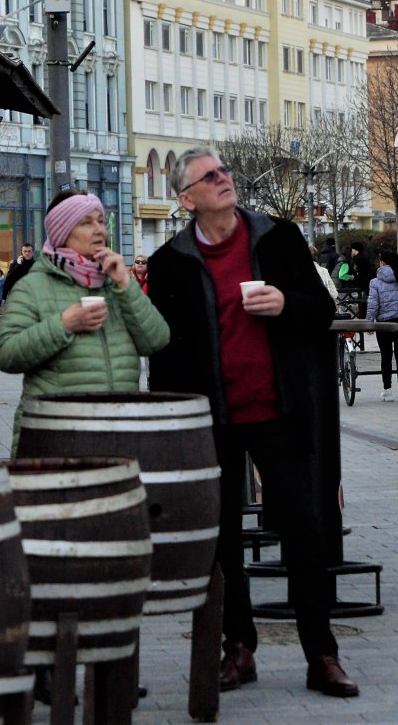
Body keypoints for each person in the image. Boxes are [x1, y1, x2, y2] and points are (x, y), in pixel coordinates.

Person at [146, 148, 359, 699]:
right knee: (222, 541)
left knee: (302, 529)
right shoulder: (172, 261)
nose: (225, 180)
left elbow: (322, 311)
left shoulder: (278, 238)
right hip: (213, 420)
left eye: (224, 171)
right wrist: (173, 421)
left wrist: (285, 301)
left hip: (278, 412)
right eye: (210, 177)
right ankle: (238, 649)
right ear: (186, 198)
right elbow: (165, 353)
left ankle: (322, 653)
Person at [0, 192, 170, 447]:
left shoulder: (116, 283)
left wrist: (124, 283)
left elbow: (156, 340)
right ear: (62, 232)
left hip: (121, 434)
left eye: (101, 221)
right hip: (56, 436)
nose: (99, 230)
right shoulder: (33, 286)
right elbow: (5, 354)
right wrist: (64, 324)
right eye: (86, 223)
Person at [366, 250, 398, 403]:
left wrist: (370, 322)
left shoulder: (375, 282)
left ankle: (387, 389)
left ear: (382, 262)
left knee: (386, 356)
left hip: (384, 324)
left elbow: (373, 305)